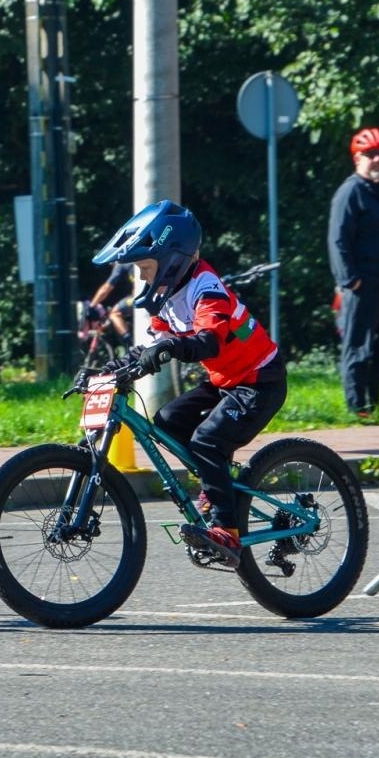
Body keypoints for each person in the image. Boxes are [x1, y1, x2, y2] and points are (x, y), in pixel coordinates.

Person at [93, 200, 285, 566]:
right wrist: (107, 371)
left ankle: (227, 532)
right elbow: (152, 347)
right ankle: (218, 482)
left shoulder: (205, 287)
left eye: (145, 268)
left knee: (207, 441)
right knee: (167, 421)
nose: (142, 278)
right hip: (226, 379)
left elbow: (208, 341)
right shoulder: (166, 298)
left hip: (260, 380)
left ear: (172, 259)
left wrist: (170, 347)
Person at [327, 127, 379, 418]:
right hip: (364, 285)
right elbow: (337, 239)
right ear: (357, 158)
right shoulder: (350, 192)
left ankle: (373, 407)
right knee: (358, 348)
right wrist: (350, 280)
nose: (377, 159)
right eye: (370, 154)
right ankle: (357, 408)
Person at [86, 262, 135, 343]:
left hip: (139, 296)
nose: (112, 266)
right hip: (152, 291)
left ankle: (131, 343)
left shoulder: (121, 262)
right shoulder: (132, 260)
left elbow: (106, 288)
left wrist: (92, 305)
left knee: (114, 313)